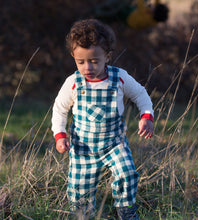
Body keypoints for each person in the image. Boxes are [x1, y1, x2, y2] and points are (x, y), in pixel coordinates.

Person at [51, 19, 154, 219]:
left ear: (107, 57)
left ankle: (126, 212)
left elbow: (140, 95)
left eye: (94, 61)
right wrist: (60, 135)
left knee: (127, 174)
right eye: (80, 62)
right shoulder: (73, 83)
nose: (87, 67)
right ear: (74, 57)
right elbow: (60, 109)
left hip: (115, 144)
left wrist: (146, 117)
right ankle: (84, 215)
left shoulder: (119, 77)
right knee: (79, 188)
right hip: (83, 148)